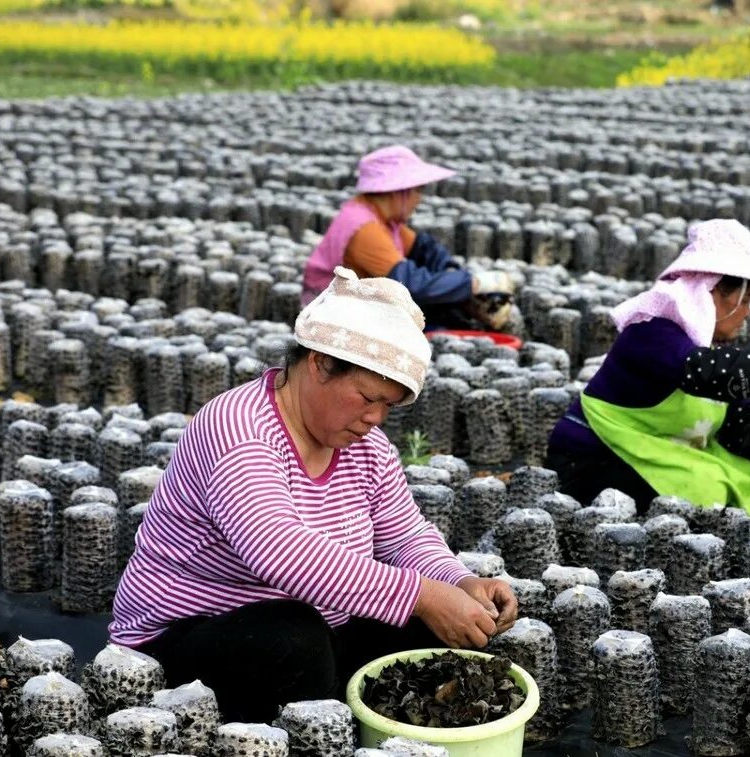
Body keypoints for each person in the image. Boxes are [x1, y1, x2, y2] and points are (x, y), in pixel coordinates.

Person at [110, 267, 518, 722]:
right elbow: (278, 549)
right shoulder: (239, 429)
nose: (376, 418)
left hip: (316, 626)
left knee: (434, 628)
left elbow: (402, 537)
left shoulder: (366, 448)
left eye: (390, 405)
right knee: (295, 636)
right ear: (319, 363)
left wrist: (458, 583)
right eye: (368, 397)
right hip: (185, 639)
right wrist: (422, 595)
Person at [545, 219, 750, 517]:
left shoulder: (714, 353)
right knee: (707, 486)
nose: (747, 312)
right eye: (746, 300)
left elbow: (740, 431)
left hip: (661, 454)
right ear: (714, 292)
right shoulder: (651, 333)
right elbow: (705, 373)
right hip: (595, 459)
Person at [301, 144, 516, 331]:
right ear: (398, 190)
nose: (419, 199)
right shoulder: (364, 228)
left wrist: (454, 276)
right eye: (418, 190)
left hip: (358, 310)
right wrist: (474, 283)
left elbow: (426, 250)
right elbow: (411, 284)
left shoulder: (380, 218)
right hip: (335, 323)